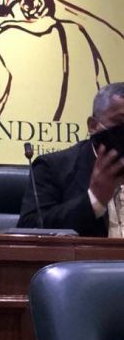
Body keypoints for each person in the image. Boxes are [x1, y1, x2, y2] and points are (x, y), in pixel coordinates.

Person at [17, 82, 124, 237]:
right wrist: (94, 199)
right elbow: (30, 228)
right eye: (121, 122)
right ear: (93, 126)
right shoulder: (52, 167)